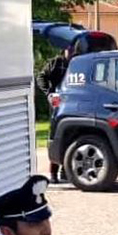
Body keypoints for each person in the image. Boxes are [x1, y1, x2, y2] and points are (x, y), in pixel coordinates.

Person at [36, 47, 73, 183]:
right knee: (57, 135)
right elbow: (41, 77)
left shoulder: (77, 63)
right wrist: (49, 93)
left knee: (71, 135)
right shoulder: (57, 62)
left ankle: (66, 171)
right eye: (69, 49)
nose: (72, 52)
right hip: (58, 104)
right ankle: (53, 173)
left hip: (73, 103)